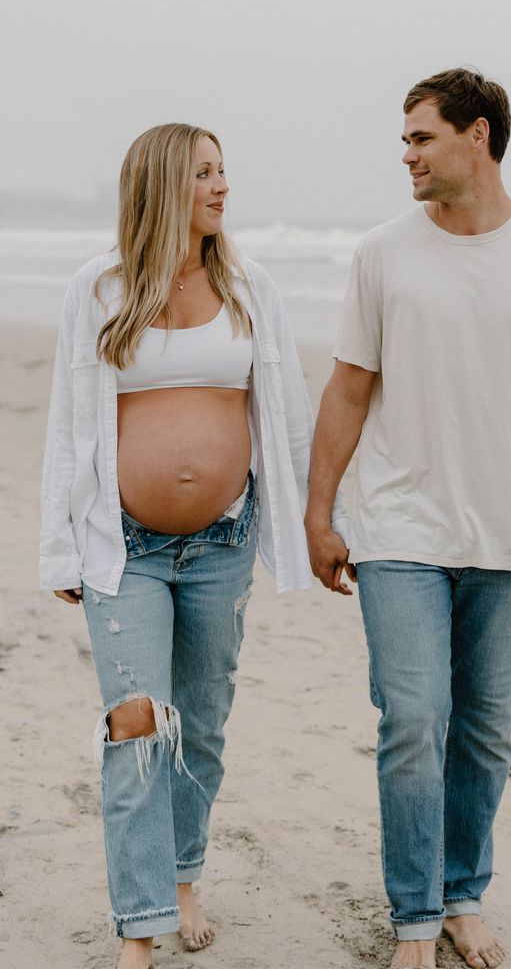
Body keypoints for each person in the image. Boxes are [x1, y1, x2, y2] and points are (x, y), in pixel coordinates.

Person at [305, 69, 511, 969]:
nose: (405, 154)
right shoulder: (382, 252)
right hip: (399, 530)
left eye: (420, 138)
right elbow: (347, 388)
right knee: (413, 717)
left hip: (506, 538)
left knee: (484, 732)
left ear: (476, 137)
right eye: (404, 140)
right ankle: (413, 917)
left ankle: (462, 893)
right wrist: (319, 513)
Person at [40, 123, 347, 969]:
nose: (220, 186)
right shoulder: (97, 290)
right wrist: (60, 551)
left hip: (222, 545)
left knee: (201, 727)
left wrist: (322, 524)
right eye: (202, 173)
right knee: (138, 725)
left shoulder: (251, 288)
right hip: (122, 547)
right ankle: (141, 930)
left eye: (222, 171)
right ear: (162, 186)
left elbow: (288, 418)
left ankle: (182, 875)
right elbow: (68, 430)